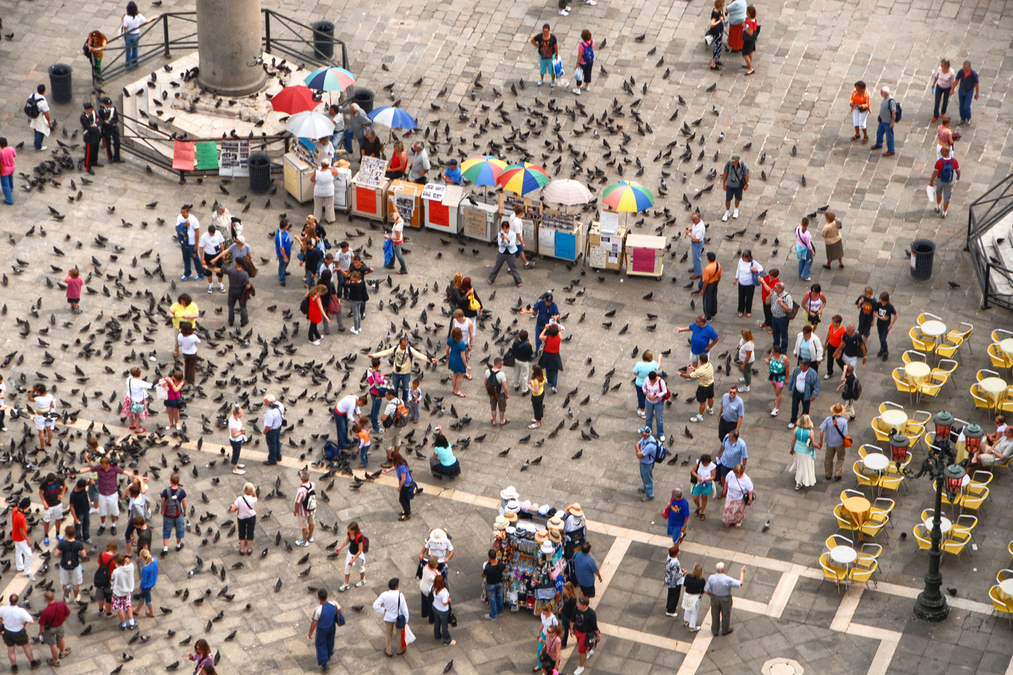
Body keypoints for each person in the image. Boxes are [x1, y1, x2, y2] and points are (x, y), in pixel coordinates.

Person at [704, 563, 746, 636]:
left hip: (715, 598)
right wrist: (742, 572)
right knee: (726, 614)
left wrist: (711, 595)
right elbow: (740, 583)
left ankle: (715, 630)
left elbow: (705, 590)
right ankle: (725, 630)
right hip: (725, 599)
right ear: (723, 570)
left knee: (715, 614)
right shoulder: (728, 579)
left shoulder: (711, 578)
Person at [0, 593, 39, 671]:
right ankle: (33, 663)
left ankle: (14, 667)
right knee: (26, 647)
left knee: (11, 650)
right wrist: (24, 621)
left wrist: (2, 621)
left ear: (9, 600)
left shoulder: (2, 609)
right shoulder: (21, 611)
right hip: (19, 632)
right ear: (17, 601)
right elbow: (32, 621)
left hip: (7, 632)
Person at [308, 589, 341, 671]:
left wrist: (310, 632)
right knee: (330, 640)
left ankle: (324, 663)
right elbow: (340, 610)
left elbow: (314, 623)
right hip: (332, 626)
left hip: (322, 629)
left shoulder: (318, 609)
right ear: (327, 596)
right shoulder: (333, 603)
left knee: (321, 645)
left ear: (318, 597)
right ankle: (329, 653)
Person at [374, 579, 408, 657]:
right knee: (399, 634)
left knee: (388, 634)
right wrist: (406, 619)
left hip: (388, 617)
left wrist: (383, 610)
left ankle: (389, 650)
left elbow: (375, 605)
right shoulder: (400, 595)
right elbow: (404, 609)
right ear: (397, 587)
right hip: (398, 618)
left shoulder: (384, 595)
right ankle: (400, 649)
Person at [121, 2, 158, 70]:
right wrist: (153, 17)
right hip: (136, 35)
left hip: (129, 35)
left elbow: (125, 28)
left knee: (128, 50)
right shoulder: (139, 16)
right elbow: (146, 21)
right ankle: (135, 62)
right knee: (135, 49)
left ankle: (129, 66)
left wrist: (122, 20)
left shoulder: (126, 17)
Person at [38, 590, 70, 667]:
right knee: (61, 638)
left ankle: (55, 660)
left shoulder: (45, 611)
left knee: (53, 644)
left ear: (46, 599)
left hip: (50, 629)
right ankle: (62, 652)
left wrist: (40, 632)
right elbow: (68, 613)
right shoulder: (61, 604)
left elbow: (42, 624)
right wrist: (62, 621)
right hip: (60, 626)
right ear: (54, 597)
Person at [819, 404, 850, 482]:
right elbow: (845, 434)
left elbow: (821, 431)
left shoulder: (828, 419)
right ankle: (837, 473)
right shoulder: (844, 422)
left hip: (829, 443)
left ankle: (828, 474)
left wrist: (821, 441)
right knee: (841, 457)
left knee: (828, 459)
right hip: (840, 444)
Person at [681, 353, 715, 423]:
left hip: (703, 387)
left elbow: (690, 376)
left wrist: (681, 374)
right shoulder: (710, 365)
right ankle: (710, 409)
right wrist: (694, 368)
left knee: (702, 402)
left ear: (700, 360)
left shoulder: (700, 371)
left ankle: (699, 417)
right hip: (711, 384)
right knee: (710, 397)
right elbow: (701, 370)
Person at [159, 473, 187, 555]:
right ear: (178, 482)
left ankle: (165, 549)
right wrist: (184, 512)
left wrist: (162, 509)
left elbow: (163, 502)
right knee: (179, 529)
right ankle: (178, 545)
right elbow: (184, 504)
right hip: (178, 515)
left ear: (171, 481)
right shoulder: (181, 492)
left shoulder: (166, 491)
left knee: (166, 530)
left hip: (168, 515)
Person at [715, 428, 748, 499]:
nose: (728, 437)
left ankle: (733, 492)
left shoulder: (742, 445)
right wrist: (719, 453)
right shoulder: (727, 437)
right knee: (723, 477)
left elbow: (745, 456)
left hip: (734, 466)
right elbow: (723, 445)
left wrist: (744, 466)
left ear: (734, 438)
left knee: (734, 479)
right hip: (725, 462)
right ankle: (724, 491)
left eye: (730, 436)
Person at [488, 221, 523, 287]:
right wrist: (503, 240)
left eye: (506, 228)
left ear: (509, 227)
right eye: (504, 228)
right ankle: (491, 278)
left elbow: (511, 244)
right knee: (497, 265)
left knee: (513, 267)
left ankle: (518, 281)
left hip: (510, 253)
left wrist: (507, 239)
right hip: (502, 252)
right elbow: (500, 244)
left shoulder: (512, 234)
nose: (505, 230)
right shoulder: (500, 234)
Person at [787, 359, 820, 429]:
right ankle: (793, 421)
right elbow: (793, 378)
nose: (800, 365)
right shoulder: (797, 370)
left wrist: (814, 395)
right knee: (794, 406)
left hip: (806, 394)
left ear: (806, 366)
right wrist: (790, 385)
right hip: (796, 393)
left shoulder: (813, 374)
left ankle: (803, 423)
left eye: (801, 365)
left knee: (805, 410)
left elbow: (816, 386)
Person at [571, 595, 599, 675]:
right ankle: (590, 651)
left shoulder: (591, 613)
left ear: (585, 605)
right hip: (577, 631)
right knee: (581, 645)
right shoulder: (576, 609)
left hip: (585, 634)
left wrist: (598, 636)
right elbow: (572, 619)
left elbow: (594, 626)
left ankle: (581, 666)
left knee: (581, 650)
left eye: (580, 604)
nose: (577, 605)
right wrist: (572, 629)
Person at [334, 522, 366, 591]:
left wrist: (353, 559)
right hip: (350, 553)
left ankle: (362, 579)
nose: (349, 531)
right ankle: (346, 584)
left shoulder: (359, 537)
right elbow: (347, 541)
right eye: (349, 529)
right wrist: (340, 547)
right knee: (347, 568)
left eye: (350, 530)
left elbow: (360, 550)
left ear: (355, 530)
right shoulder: (349, 534)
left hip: (358, 556)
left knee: (360, 568)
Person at [930, 145, 960, 218]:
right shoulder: (954, 161)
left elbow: (935, 172)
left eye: (942, 150)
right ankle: (944, 212)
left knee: (939, 192)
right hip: (949, 181)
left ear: (945, 152)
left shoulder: (939, 162)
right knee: (947, 197)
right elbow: (958, 171)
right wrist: (958, 177)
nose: (940, 152)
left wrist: (931, 181)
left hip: (940, 180)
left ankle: (938, 206)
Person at [197, 222, 226, 294]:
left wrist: (223, 253)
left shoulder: (218, 233)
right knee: (208, 271)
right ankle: (210, 285)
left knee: (220, 269)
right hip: (208, 255)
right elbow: (201, 248)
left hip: (217, 254)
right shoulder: (204, 237)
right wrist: (202, 259)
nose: (212, 235)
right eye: (211, 233)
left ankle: (220, 284)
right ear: (208, 231)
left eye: (213, 233)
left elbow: (221, 243)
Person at [228, 482, 257, 555]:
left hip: (241, 518)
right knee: (250, 532)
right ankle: (249, 549)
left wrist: (238, 508)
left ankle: (242, 549)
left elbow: (232, 509)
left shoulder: (239, 499)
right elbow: (256, 498)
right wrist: (253, 492)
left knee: (242, 533)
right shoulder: (253, 499)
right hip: (251, 517)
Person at [176, 206, 203, 281]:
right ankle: (187, 273)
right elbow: (176, 228)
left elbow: (197, 232)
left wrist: (196, 244)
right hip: (184, 242)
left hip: (191, 242)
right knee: (186, 258)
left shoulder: (193, 220)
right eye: (181, 212)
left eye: (184, 212)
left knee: (195, 258)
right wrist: (183, 225)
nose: (182, 214)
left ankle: (201, 273)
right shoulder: (179, 217)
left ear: (188, 212)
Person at [39, 472, 66, 548]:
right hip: (48, 505)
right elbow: (40, 492)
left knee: (58, 519)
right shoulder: (44, 483)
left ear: (54, 480)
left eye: (50, 482)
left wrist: (62, 494)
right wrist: (44, 502)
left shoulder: (59, 480)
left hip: (57, 503)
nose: (48, 483)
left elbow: (64, 485)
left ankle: (58, 534)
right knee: (46, 521)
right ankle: (46, 535)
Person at [791, 414, 818, 489]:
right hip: (806, 451)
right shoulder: (810, 432)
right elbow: (813, 443)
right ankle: (799, 482)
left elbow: (793, 441)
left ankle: (798, 481)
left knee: (800, 465)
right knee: (805, 466)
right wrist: (818, 446)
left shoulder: (796, 429)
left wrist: (791, 449)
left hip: (798, 449)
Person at [111, 552, 136, 630]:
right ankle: (132, 622)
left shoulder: (116, 571)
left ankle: (124, 624)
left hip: (118, 592)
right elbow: (127, 565)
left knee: (120, 608)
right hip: (127, 591)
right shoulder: (131, 567)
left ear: (118, 562)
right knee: (128, 606)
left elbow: (112, 580)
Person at [733, 250, 762, 318]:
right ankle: (741, 310)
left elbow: (761, 269)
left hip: (750, 284)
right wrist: (736, 279)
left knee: (749, 298)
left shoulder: (753, 263)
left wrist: (754, 270)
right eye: (743, 257)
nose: (744, 258)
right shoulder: (740, 261)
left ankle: (748, 310)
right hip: (741, 282)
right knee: (741, 297)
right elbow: (738, 270)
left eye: (746, 257)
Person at [225, 256, 252, 329]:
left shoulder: (231, 271)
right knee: (243, 307)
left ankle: (230, 321)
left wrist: (208, 267)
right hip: (240, 291)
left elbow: (220, 270)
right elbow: (248, 286)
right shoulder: (245, 274)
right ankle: (244, 321)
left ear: (236, 263)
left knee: (231, 306)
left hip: (231, 290)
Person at [11, 498, 33, 581]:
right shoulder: (21, 517)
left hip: (15, 535)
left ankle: (20, 567)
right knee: (28, 554)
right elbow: (22, 532)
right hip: (20, 538)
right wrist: (28, 540)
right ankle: (27, 571)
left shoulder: (15, 510)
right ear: (26, 507)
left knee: (18, 551)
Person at [721, 154, 749, 221]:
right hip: (730, 184)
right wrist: (724, 183)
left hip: (738, 185)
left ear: (737, 161)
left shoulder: (742, 165)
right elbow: (725, 173)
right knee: (728, 199)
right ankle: (727, 211)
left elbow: (746, 174)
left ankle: (736, 209)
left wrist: (747, 184)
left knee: (738, 198)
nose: (732, 162)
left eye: (734, 161)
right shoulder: (728, 164)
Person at [872, 86, 898, 157]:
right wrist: (880, 117)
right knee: (879, 133)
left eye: (881, 92)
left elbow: (894, 112)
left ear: (884, 93)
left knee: (889, 136)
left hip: (888, 122)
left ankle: (891, 150)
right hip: (882, 121)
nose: (880, 94)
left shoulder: (891, 101)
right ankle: (879, 143)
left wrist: (892, 122)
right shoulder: (885, 99)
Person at [311, 161, 339, 225]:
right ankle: (329, 219)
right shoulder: (331, 172)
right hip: (328, 192)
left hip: (318, 192)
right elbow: (336, 171)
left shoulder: (316, 172)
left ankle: (316, 219)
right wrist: (329, 168)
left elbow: (312, 180)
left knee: (317, 206)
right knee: (329, 206)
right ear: (328, 165)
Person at [952, 60, 980, 125]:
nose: (964, 69)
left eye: (966, 67)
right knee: (961, 106)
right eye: (964, 67)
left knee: (966, 106)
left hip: (969, 91)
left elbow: (977, 84)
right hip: (961, 90)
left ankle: (968, 118)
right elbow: (956, 80)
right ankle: (962, 118)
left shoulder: (973, 74)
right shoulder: (961, 72)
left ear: (969, 67)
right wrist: (952, 89)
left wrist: (977, 93)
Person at [769, 281, 794, 355]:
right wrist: (769, 295)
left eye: (775, 287)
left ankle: (783, 349)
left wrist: (781, 304)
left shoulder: (787, 297)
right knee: (775, 333)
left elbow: (789, 309)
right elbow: (767, 302)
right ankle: (775, 347)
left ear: (780, 289)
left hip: (782, 318)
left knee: (783, 334)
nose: (774, 288)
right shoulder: (774, 294)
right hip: (774, 317)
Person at [643, 371, 668, 442]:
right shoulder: (647, 379)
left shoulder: (661, 381)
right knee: (648, 417)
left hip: (659, 402)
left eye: (652, 380)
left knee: (659, 418)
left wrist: (657, 396)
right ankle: (648, 431)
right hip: (649, 401)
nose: (651, 381)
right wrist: (647, 394)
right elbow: (644, 387)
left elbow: (664, 391)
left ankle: (660, 433)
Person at [482, 549, 506, 621]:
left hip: (491, 584)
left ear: (489, 557)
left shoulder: (488, 568)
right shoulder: (500, 564)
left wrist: (485, 565)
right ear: (496, 555)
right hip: (499, 583)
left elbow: (482, 575)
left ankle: (493, 615)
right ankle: (500, 610)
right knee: (500, 596)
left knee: (492, 600)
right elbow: (506, 570)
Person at [635, 426, 659, 502]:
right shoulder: (645, 438)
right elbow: (637, 445)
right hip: (643, 463)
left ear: (646, 434)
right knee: (643, 476)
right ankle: (645, 488)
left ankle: (649, 495)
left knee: (648, 479)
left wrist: (638, 452)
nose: (640, 433)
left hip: (647, 464)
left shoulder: (651, 445)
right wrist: (639, 451)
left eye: (642, 432)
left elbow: (640, 455)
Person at [538, 324, 563, 393]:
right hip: (555, 356)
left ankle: (549, 380)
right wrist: (558, 331)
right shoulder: (559, 338)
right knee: (555, 371)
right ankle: (554, 386)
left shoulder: (547, 338)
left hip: (547, 355)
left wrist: (545, 329)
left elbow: (540, 337)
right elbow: (561, 336)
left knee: (548, 368)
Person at [31, 383, 56, 452]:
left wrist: (32, 390)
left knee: (41, 432)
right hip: (48, 414)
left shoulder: (38, 398)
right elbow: (53, 406)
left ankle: (42, 446)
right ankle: (49, 441)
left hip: (40, 416)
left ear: (38, 392)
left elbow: (30, 398)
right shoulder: (50, 396)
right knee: (49, 429)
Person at [431, 575, 455, 646]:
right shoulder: (444, 592)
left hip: (435, 607)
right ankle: (447, 640)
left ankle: (437, 635)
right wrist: (449, 600)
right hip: (443, 610)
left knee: (437, 622)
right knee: (444, 625)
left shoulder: (433, 587)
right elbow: (444, 603)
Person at [26, 84, 52, 152]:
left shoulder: (32, 95)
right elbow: (46, 113)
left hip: (32, 115)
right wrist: (48, 122)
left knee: (35, 128)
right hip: (39, 117)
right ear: (44, 91)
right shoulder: (43, 102)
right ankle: (38, 146)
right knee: (41, 130)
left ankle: (35, 142)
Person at [294, 470, 317, 547]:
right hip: (312, 508)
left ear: (301, 479)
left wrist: (295, 510)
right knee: (312, 522)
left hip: (303, 511)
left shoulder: (300, 491)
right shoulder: (313, 484)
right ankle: (310, 536)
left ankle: (304, 541)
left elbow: (297, 502)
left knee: (304, 526)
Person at [690, 453, 716, 520]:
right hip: (698, 482)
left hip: (707, 484)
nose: (704, 464)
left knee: (704, 497)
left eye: (706, 463)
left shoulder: (712, 466)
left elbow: (713, 476)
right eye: (703, 463)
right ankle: (698, 506)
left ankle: (703, 511)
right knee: (695, 497)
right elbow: (693, 471)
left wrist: (707, 479)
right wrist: (697, 476)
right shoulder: (698, 462)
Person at [873, 291, 898, 361]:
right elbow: (874, 312)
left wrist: (891, 324)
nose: (881, 301)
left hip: (886, 325)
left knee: (883, 339)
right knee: (880, 337)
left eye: (882, 300)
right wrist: (880, 317)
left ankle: (886, 352)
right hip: (879, 324)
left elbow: (896, 315)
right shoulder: (878, 304)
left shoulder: (890, 307)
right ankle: (882, 349)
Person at [133, 549, 158, 619]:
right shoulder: (155, 560)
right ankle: (137, 610)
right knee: (142, 596)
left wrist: (141, 587)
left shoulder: (145, 568)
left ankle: (151, 612)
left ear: (143, 557)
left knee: (148, 598)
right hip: (153, 581)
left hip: (146, 585)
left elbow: (144, 580)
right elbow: (157, 570)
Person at [663, 544, 686, 618]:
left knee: (670, 594)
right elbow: (675, 576)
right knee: (675, 595)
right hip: (675, 582)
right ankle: (671, 610)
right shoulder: (674, 562)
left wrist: (679, 569)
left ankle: (669, 605)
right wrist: (682, 573)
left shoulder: (669, 558)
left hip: (669, 580)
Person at [80, 101, 102, 175]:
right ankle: (88, 166)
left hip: (96, 135)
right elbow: (89, 128)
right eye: (90, 109)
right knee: (89, 152)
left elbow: (100, 121)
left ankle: (94, 161)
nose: (92, 110)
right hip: (89, 136)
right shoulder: (83, 117)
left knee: (96, 149)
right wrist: (95, 125)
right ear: (86, 109)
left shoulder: (93, 113)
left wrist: (94, 124)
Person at [682, 564, 706, 632]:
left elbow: (685, 584)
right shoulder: (701, 580)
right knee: (694, 612)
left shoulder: (688, 576)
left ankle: (686, 621)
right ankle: (692, 627)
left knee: (687, 608)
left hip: (687, 595)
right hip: (695, 597)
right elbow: (702, 590)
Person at [394, 451, 416, 521]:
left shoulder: (402, 467)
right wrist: (388, 470)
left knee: (402, 500)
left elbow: (403, 479)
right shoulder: (401, 462)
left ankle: (407, 514)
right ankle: (408, 510)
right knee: (406, 498)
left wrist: (399, 487)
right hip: (407, 483)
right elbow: (395, 467)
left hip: (406, 485)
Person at [572, 30, 595, 96]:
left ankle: (578, 89)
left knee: (579, 74)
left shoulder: (581, 45)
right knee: (588, 72)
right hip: (590, 60)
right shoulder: (592, 42)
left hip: (583, 62)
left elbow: (580, 55)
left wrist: (577, 62)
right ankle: (587, 86)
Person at [345, 270, 368, 335]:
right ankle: (359, 327)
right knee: (358, 314)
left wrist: (347, 278)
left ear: (356, 278)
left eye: (352, 277)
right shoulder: (362, 282)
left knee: (355, 315)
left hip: (354, 300)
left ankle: (355, 329)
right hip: (360, 299)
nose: (351, 278)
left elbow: (343, 285)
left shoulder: (353, 285)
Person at [700, 252, 722, 319]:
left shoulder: (707, 269)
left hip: (709, 285)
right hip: (715, 282)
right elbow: (719, 276)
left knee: (707, 300)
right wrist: (717, 283)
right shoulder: (718, 265)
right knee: (714, 298)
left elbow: (705, 281)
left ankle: (708, 316)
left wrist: (703, 290)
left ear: (708, 259)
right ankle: (713, 313)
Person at [68, 479, 91, 544]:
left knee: (86, 524)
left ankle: (86, 537)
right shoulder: (73, 495)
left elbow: (86, 484)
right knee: (78, 528)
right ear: (82, 487)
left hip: (86, 510)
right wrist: (75, 518)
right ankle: (78, 540)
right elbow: (71, 506)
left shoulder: (81, 488)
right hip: (79, 513)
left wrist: (89, 482)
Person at [685, 212, 707, 281]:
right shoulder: (697, 223)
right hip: (695, 243)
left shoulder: (700, 228)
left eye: (694, 220)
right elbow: (694, 228)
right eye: (692, 220)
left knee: (697, 258)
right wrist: (690, 229)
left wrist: (688, 234)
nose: (693, 221)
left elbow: (697, 240)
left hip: (697, 244)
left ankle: (698, 274)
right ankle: (696, 268)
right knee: (695, 257)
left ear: (699, 219)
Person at [824, 315, 846, 380]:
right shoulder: (831, 326)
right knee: (829, 359)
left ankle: (845, 370)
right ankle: (829, 372)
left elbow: (842, 342)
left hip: (838, 347)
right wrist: (825, 343)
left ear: (838, 323)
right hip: (830, 345)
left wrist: (838, 350)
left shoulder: (842, 330)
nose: (832, 323)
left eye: (833, 322)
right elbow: (828, 334)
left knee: (838, 360)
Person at [707, 0, 727, 71]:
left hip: (720, 30)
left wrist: (722, 10)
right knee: (717, 47)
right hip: (716, 32)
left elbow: (724, 18)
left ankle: (717, 59)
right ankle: (713, 63)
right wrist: (719, 21)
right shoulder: (715, 13)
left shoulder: (719, 11)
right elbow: (712, 24)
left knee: (719, 46)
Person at [795, 216, 815, 281]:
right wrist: (812, 251)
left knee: (801, 260)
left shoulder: (798, 228)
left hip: (798, 247)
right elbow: (808, 244)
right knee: (809, 261)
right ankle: (805, 275)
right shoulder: (807, 234)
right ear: (807, 224)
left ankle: (800, 273)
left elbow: (796, 236)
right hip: (805, 249)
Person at [275, 218, 293, 286]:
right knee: (282, 265)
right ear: (285, 226)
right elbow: (281, 248)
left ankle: (283, 272)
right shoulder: (280, 236)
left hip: (287, 251)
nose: (288, 226)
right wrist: (285, 257)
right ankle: (282, 278)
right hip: (283, 254)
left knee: (286, 263)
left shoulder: (284, 231)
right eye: (287, 225)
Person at [740, 6, 758, 74]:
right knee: (750, 51)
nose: (746, 12)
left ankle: (750, 68)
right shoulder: (754, 19)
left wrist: (745, 27)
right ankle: (749, 64)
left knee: (744, 54)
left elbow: (750, 33)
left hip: (748, 39)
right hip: (752, 39)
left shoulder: (750, 22)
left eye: (747, 12)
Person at [0, 137, 16, 205]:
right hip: (12, 167)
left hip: (5, 170)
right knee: (10, 178)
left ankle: (9, 200)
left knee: (5, 184)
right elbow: (14, 155)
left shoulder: (1, 152)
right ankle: (11, 188)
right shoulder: (11, 148)